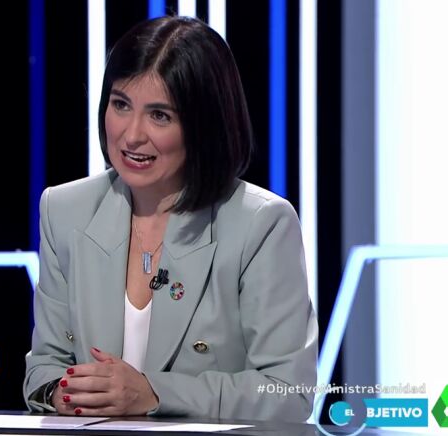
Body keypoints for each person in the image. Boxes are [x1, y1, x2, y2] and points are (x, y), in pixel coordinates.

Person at [23, 15, 317, 421]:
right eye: (120, 104)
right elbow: (45, 366)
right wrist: (61, 391)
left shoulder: (261, 224)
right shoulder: (65, 210)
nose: (131, 135)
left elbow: (288, 392)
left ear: (204, 125)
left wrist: (153, 393)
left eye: (159, 115)